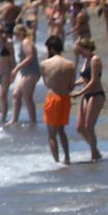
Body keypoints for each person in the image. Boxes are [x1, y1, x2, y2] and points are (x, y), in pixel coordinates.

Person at [40, 34, 75, 165]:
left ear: (50, 49)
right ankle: (67, 157)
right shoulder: (70, 64)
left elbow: (46, 83)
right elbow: (71, 86)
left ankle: (56, 162)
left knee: (51, 134)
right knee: (62, 131)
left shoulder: (45, 64)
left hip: (53, 98)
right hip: (65, 99)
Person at [73, 37, 105, 161]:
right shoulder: (86, 60)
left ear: (87, 48)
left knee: (89, 126)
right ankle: (95, 150)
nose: (80, 54)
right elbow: (84, 78)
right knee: (80, 127)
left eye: (81, 51)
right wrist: (72, 84)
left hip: (96, 94)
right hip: (87, 94)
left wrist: (78, 93)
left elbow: (94, 80)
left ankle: (94, 154)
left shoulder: (95, 60)